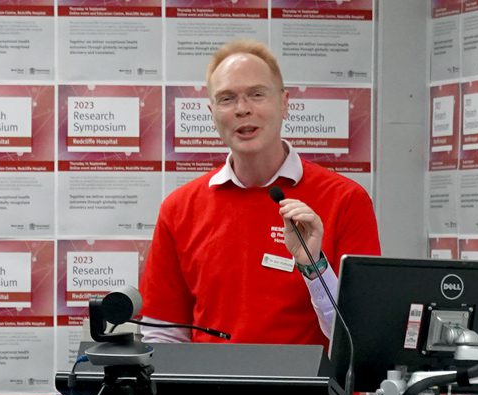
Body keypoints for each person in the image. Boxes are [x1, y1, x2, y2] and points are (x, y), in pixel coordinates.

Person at [139, 39, 380, 347]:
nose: (243, 109)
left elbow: (360, 338)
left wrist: (314, 265)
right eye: (227, 99)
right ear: (212, 113)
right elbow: (163, 334)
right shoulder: (179, 208)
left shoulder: (345, 199)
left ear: (285, 103)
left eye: (257, 94)